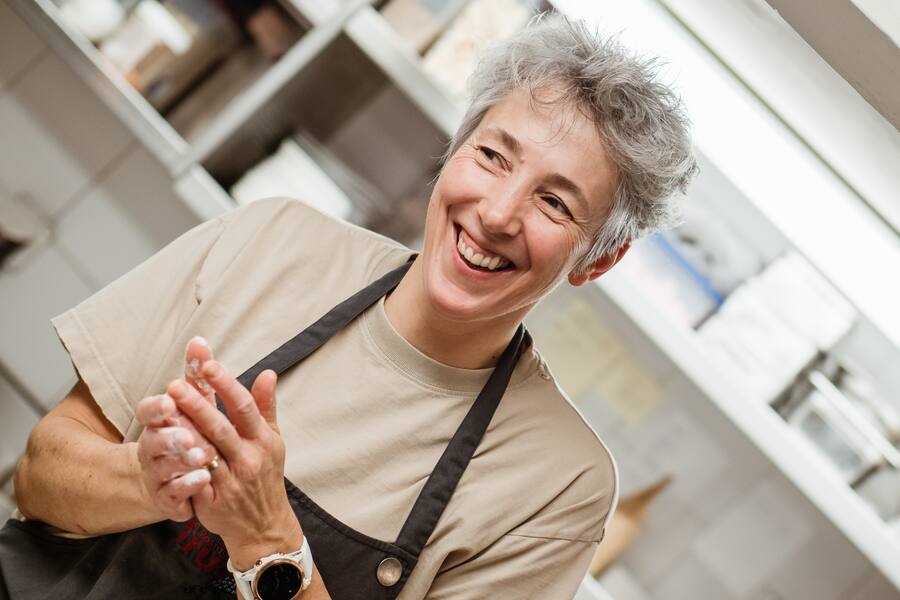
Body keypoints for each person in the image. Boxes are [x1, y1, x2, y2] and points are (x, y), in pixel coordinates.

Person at [6, 13, 697, 600]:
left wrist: (268, 541)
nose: (496, 213)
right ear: (453, 151)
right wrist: (146, 482)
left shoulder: (559, 484)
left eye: (554, 202)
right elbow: (38, 479)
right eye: (493, 156)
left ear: (597, 259)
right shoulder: (272, 238)